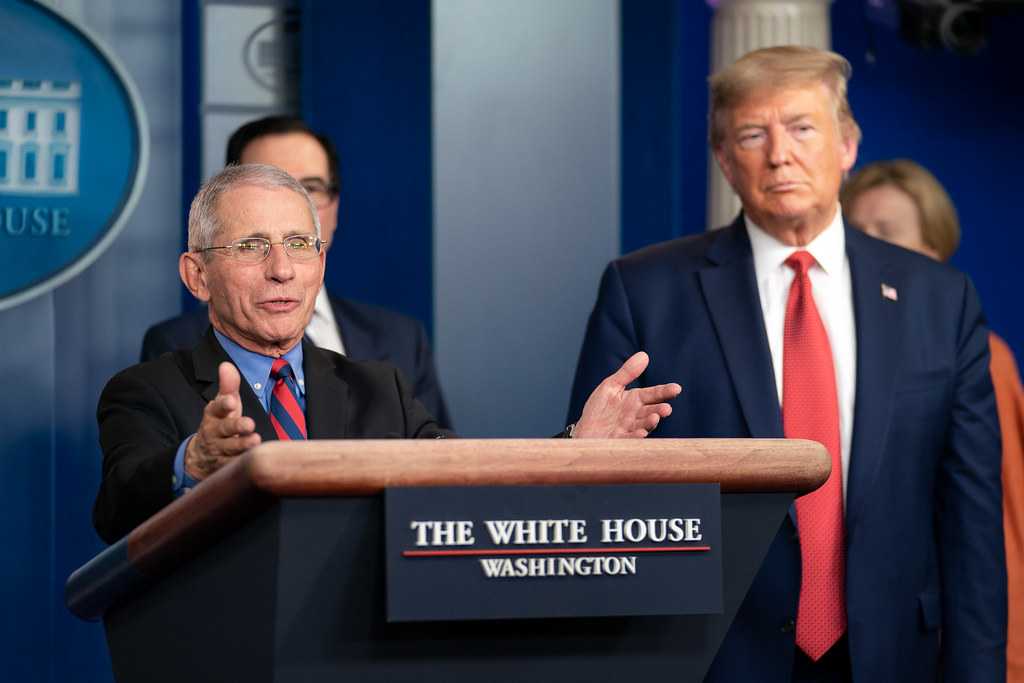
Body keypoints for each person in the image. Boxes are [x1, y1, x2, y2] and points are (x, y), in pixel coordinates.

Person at [568, 46, 1005, 681]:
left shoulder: (939, 300)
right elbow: (589, 492)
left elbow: (972, 529)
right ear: (724, 159)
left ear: (847, 145)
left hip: (894, 656)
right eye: (752, 134)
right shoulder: (645, 291)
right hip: (712, 659)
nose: (780, 154)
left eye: (802, 128)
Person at [95, 164, 681, 545]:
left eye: (300, 244)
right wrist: (194, 461)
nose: (282, 268)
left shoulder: (379, 389)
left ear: (320, 263)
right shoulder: (146, 391)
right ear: (197, 276)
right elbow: (117, 512)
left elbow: (470, 483)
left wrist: (576, 447)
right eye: (252, 246)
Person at [140, 116, 455, 429]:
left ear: (334, 206)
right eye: (271, 183)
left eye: (310, 188)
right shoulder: (173, 347)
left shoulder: (400, 341)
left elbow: (442, 467)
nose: (289, 202)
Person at [843, 158, 1024, 682]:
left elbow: (999, 522)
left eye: (887, 234)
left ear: (934, 253)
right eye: (856, 233)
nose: (868, 249)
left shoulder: (984, 358)